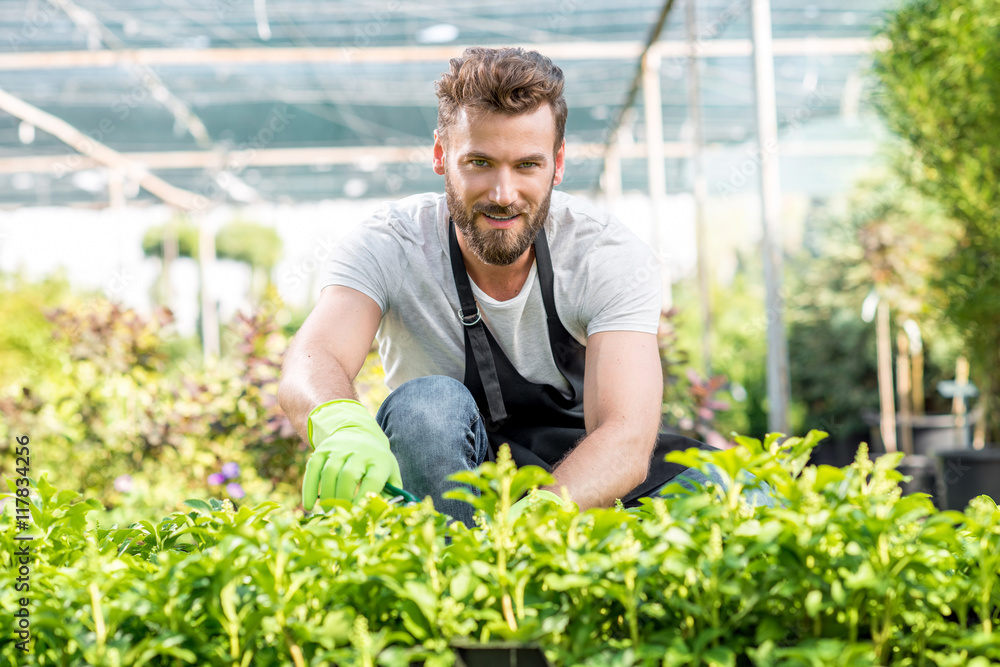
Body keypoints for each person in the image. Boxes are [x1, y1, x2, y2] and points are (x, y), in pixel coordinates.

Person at [278, 46, 767, 527]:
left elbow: (625, 433)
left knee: (733, 492)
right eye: (479, 163)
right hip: (449, 468)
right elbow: (312, 357)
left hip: (585, 464)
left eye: (527, 166)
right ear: (440, 156)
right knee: (424, 406)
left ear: (556, 164)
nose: (503, 194)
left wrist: (540, 519)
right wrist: (340, 424)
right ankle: (451, 570)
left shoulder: (605, 254)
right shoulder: (391, 242)